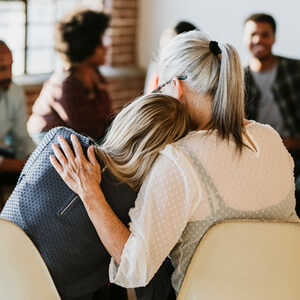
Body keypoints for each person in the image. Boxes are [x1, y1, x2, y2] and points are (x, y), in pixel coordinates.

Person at [51, 30, 299, 296]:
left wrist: (91, 194)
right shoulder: (271, 139)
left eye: (161, 86)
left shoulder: (181, 159)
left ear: (177, 87)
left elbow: (136, 267)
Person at [1, 93, 190, 300]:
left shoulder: (59, 139)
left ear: (126, 119)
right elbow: (150, 286)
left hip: (6, 274)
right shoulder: (138, 206)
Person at [27, 9, 113, 146]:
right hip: (51, 144)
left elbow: (108, 119)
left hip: (81, 141)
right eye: (100, 44)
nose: (106, 48)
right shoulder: (65, 85)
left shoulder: (95, 75)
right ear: (87, 47)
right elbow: (89, 132)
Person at [243, 13, 300, 215]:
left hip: (295, 152)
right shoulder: (238, 79)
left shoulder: (295, 70)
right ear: (245, 38)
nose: (258, 39)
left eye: (265, 34)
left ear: (274, 38)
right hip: (256, 156)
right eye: (253, 34)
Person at [0, 40, 35, 207]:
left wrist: (34, 160)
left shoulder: (14, 91)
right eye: (2, 68)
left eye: (10, 66)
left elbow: (20, 136)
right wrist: (18, 165)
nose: (8, 75)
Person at [144, 21, 198, 94]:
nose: (163, 53)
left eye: (168, 47)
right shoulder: (156, 72)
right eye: (162, 46)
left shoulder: (192, 82)